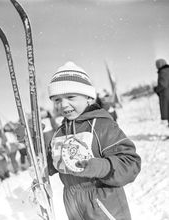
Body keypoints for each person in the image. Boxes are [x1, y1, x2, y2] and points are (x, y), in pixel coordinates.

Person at [47, 61, 141, 220]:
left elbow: (131, 164)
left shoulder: (103, 126)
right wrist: (35, 151)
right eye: (57, 100)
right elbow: (54, 163)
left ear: (89, 98)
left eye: (70, 97)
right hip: (73, 205)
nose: (63, 104)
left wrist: (102, 167)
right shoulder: (58, 133)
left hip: (103, 203)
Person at [154, 58, 169, 126]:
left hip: (166, 96)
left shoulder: (163, 71)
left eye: (157, 65)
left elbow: (163, 84)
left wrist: (156, 89)